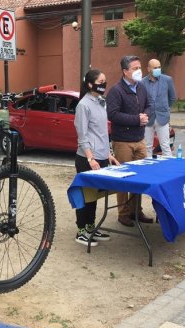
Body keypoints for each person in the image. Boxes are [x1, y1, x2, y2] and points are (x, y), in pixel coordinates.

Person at [74, 69, 119, 246]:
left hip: (101, 157)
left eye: (105, 81)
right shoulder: (83, 105)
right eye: (100, 81)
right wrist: (91, 159)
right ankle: (81, 231)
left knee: (95, 195)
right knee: (86, 195)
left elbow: (102, 133)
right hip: (87, 159)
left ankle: (91, 226)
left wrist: (109, 154)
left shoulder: (101, 103)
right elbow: (82, 136)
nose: (104, 85)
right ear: (90, 84)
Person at [107, 55, 153, 227]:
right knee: (124, 178)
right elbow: (112, 114)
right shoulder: (116, 90)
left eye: (139, 67)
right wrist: (136, 119)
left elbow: (148, 104)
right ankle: (123, 213)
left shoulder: (141, 88)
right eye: (134, 68)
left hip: (140, 140)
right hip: (123, 142)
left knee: (139, 178)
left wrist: (145, 115)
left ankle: (136, 210)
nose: (139, 71)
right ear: (125, 71)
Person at [141, 59, 177, 157]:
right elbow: (140, 100)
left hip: (162, 117)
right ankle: (148, 166)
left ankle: (169, 168)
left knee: (165, 145)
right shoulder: (142, 82)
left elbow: (172, 97)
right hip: (148, 118)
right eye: (155, 67)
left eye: (159, 67)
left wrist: (166, 109)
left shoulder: (167, 80)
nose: (158, 69)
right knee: (147, 146)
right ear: (148, 69)